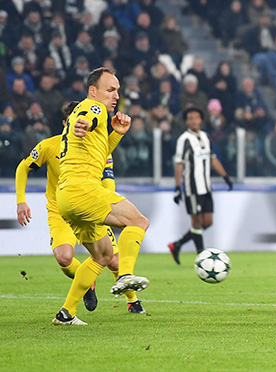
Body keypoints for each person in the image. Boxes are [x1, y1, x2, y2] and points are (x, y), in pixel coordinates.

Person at [16, 101, 145, 315]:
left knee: (112, 259)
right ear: (65, 123)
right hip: (61, 211)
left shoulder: (98, 147)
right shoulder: (50, 145)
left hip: (91, 203)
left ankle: (132, 301)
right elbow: (24, 166)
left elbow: (108, 180)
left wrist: (104, 201)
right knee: (64, 258)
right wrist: (21, 200)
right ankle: (86, 284)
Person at [53, 67, 150, 325]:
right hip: (84, 189)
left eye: (118, 90)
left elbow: (98, 152)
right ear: (93, 91)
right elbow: (86, 118)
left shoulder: (89, 116)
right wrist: (85, 123)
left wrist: (115, 135)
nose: (116, 95)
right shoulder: (91, 108)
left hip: (66, 197)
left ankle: (66, 313)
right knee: (139, 222)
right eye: (110, 89)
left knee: (102, 256)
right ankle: (127, 274)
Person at [168, 107, 233, 264]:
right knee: (196, 223)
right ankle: (203, 259)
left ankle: (177, 245)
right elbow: (179, 165)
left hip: (206, 187)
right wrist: (178, 188)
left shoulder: (206, 137)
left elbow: (213, 159)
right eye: (190, 118)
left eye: (196, 118)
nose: (194, 121)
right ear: (186, 121)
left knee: (208, 222)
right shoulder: (184, 140)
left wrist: (225, 177)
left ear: (201, 120)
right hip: (192, 188)